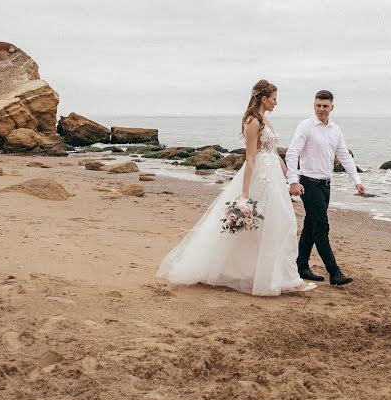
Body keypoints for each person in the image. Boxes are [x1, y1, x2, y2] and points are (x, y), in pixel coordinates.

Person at [155, 79, 316, 295]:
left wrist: (290, 176)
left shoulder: (266, 122)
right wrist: (245, 192)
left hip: (274, 177)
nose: (276, 103)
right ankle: (287, 279)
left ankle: (282, 276)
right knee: (276, 223)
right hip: (261, 177)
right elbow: (250, 158)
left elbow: (273, 151)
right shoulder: (253, 122)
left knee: (280, 223)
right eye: (274, 99)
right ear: (263, 98)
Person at [286, 90, 366, 286]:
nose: (321, 109)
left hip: (325, 185)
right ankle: (334, 272)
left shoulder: (335, 130)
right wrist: (293, 180)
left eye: (325, 106)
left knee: (311, 226)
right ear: (314, 106)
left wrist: (356, 179)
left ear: (332, 107)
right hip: (308, 183)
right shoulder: (305, 127)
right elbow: (292, 153)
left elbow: (345, 155)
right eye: (318, 106)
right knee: (322, 226)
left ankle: (301, 265)